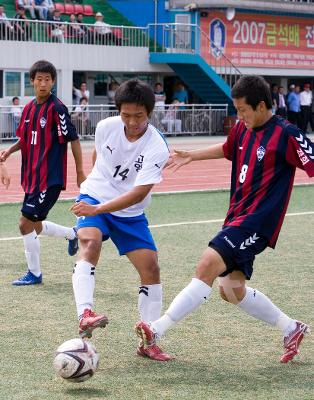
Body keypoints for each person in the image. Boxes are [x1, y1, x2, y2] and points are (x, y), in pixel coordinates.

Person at [135, 75, 314, 363]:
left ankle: (155, 330)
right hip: (235, 217)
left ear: (261, 105)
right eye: (237, 110)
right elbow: (228, 149)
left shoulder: (287, 134)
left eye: (243, 110)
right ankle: (291, 328)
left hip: (257, 222)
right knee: (231, 290)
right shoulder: (244, 129)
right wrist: (192, 155)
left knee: (206, 264)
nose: (239, 116)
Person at [70, 79, 171, 361]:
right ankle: (85, 314)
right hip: (95, 197)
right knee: (90, 243)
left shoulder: (157, 146)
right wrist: (93, 192)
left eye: (138, 116)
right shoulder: (106, 127)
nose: (132, 121)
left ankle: (149, 340)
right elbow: (97, 155)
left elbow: (139, 193)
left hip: (129, 211)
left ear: (150, 113)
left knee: (151, 268)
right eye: (126, 115)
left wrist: (99, 209)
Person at [0, 60, 85, 286]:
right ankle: (72, 234)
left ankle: (35, 274)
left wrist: (79, 171)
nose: (43, 83)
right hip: (32, 178)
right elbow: (26, 138)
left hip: (49, 178)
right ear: (32, 81)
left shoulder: (57, 109)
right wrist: (9, 151)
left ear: (53, 82)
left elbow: (73, 139)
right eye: (39, 79)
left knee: (24, 224)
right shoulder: (28, 108)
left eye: (48, 79)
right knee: (35, 224)